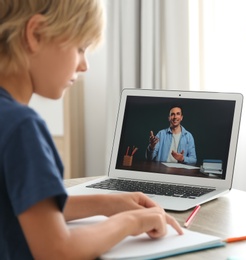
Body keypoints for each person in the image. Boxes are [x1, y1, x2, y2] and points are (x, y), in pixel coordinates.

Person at [0, 1, 183, 259]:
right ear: (36, 34)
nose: (84, 65)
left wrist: (109, 203)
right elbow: (57, 250)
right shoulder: (22, 126)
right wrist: (131, 222)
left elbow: (25, 208)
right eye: (80, 48)